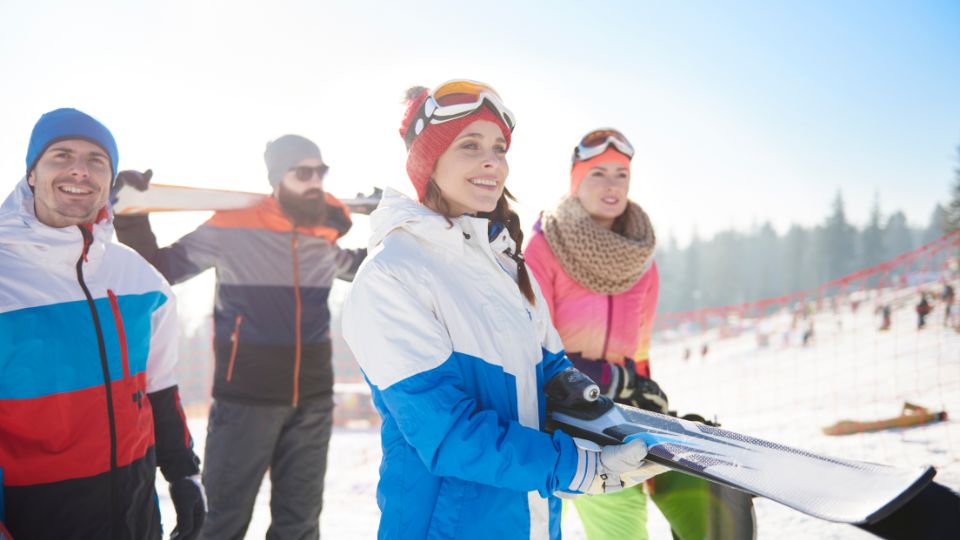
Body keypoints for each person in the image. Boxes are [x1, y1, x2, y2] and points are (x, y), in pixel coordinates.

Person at [341, 80, 663, 539]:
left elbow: (552, 371)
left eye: (498, 147)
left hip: (529, 521)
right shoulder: (392, 276)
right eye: (469, 146)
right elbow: (447, 432)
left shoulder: (504, 265)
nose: (492, 161)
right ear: (428, 162)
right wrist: (577, 468)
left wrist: (605, 422)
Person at [112, 134, 366, 539]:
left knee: (300, 525)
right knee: (219, 522)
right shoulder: (231, 228)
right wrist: (131, 215)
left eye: (321, 171)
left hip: (313, 402)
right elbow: (159, 269)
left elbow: (365, 269)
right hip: (246, 399)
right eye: (304, 172)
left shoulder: (323, 235)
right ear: (278, 177)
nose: (315, 180)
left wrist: (402, 229)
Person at [523, 128, 754, 540]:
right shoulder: (544, 248)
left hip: (620, 407)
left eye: (621, 175)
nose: (612, 186)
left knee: (703, 483)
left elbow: (639, 351)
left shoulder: (642, 263)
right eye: (598, 174)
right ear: (577, 181)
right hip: (566, 411)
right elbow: (534, 347)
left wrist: (646, 393)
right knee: (620, 511)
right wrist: (614, 380)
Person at [0, 108, 204, 539]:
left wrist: (183, 473)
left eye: (97, 160)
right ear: (31, 174)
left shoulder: (139, 278)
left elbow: (159, 389)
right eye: (61, 155)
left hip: (135, 517)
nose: (80, 168)